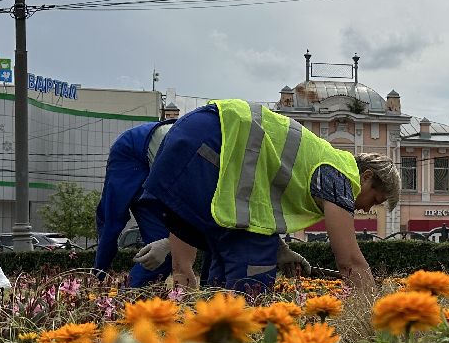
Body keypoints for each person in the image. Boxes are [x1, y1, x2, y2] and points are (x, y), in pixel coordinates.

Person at [134, 99, 399, 294]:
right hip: (214, 141)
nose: (368, 210)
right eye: (375, 200)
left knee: (231, 252)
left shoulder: (320, 163)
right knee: (252, 262)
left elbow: (258, 210)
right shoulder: (341, 177)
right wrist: (373, 312)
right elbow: (350, 262)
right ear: (366, 177)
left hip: (200, 134)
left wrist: (279, 250)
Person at [92, 117, 198, 288]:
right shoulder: (186, 156)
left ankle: (130, 300)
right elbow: (189, 211)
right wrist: (99, 271)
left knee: (162, 254)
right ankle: (100, 282)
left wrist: (168, 244)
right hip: (131, 151)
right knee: (113, 218)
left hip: (162, 154)